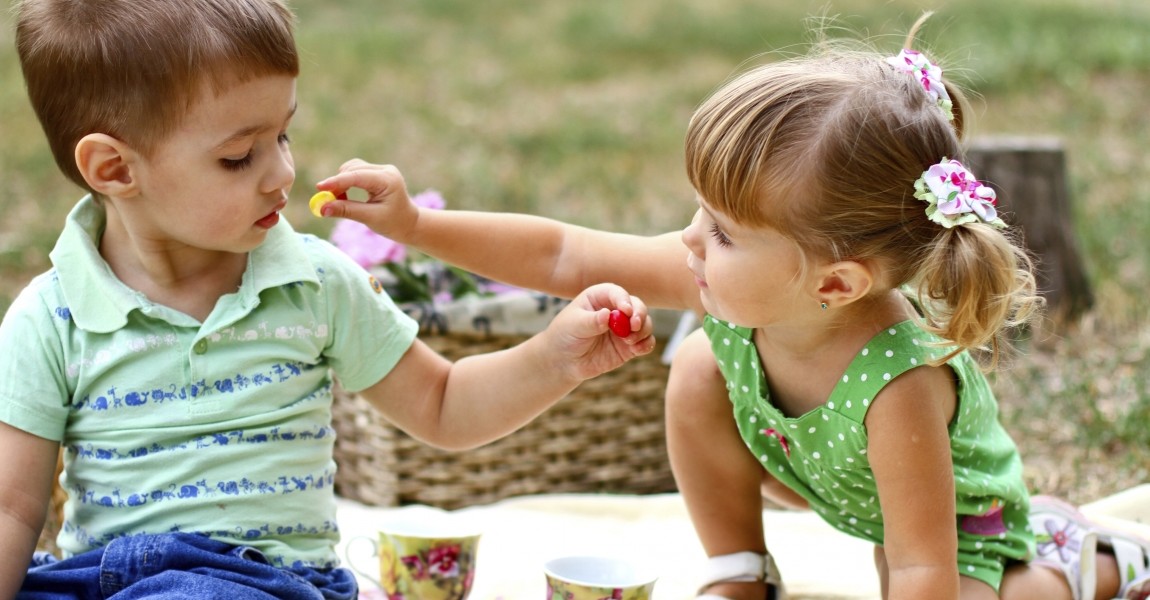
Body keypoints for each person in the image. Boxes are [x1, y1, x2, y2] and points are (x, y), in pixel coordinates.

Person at [314, 14, 1150, 600]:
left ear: (835, 284)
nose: (688, 241)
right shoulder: (731, 283)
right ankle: (739, 567)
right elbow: (562, 253)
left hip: (958, 529)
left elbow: (925, 566)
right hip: (841, 491)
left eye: (721, 230)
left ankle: (1093, 557)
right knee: (702, 361)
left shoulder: (900, 386)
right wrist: (417, 225)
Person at [0, 0, 657, 597]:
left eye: (281, 136)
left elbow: (444, 404)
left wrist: (555, 359)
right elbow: (12, 507)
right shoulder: (49, 316)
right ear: (115, 169)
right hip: (95, 579)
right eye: (239, 157)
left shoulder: (313, 284)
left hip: (260, 580)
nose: (282, 174)